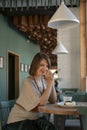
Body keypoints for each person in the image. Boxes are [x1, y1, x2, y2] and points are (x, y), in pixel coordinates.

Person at [3, 52, 57, 130]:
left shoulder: (43, 81)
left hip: (34, 120)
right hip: (19, 121)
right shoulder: (27, 82)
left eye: (47, 66)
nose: (45, 68)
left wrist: (51, 82)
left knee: (51, 127)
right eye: (41, 65)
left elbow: (53, 100)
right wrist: (49, 84)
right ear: (35, 65)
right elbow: (42, 103)